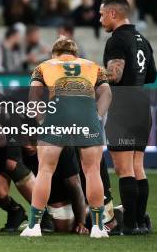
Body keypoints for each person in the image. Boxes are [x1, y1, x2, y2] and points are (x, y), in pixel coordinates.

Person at [20, 37, 112, 238]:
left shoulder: (43, 66)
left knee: (45, 171)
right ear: (75, 55)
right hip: (87, 113)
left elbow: (34, 96)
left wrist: (42, 120)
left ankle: (34, 227)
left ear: (55, 54)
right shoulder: (93, 66)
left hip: (57, 113)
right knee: (92, 171)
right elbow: (106, 93)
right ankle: (97, 228)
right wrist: (97, 116)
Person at [99, 0, 156, 235]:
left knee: (124, 169)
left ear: (113, 14)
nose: (100, 19)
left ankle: (130, 225)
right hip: (143, 103)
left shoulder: (117, 40)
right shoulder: (143, 39)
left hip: (123, 105)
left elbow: (115, 75)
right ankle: (141, 222)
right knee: (137, 167)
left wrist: (92, 73)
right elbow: (151, 75)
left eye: (102, 14)